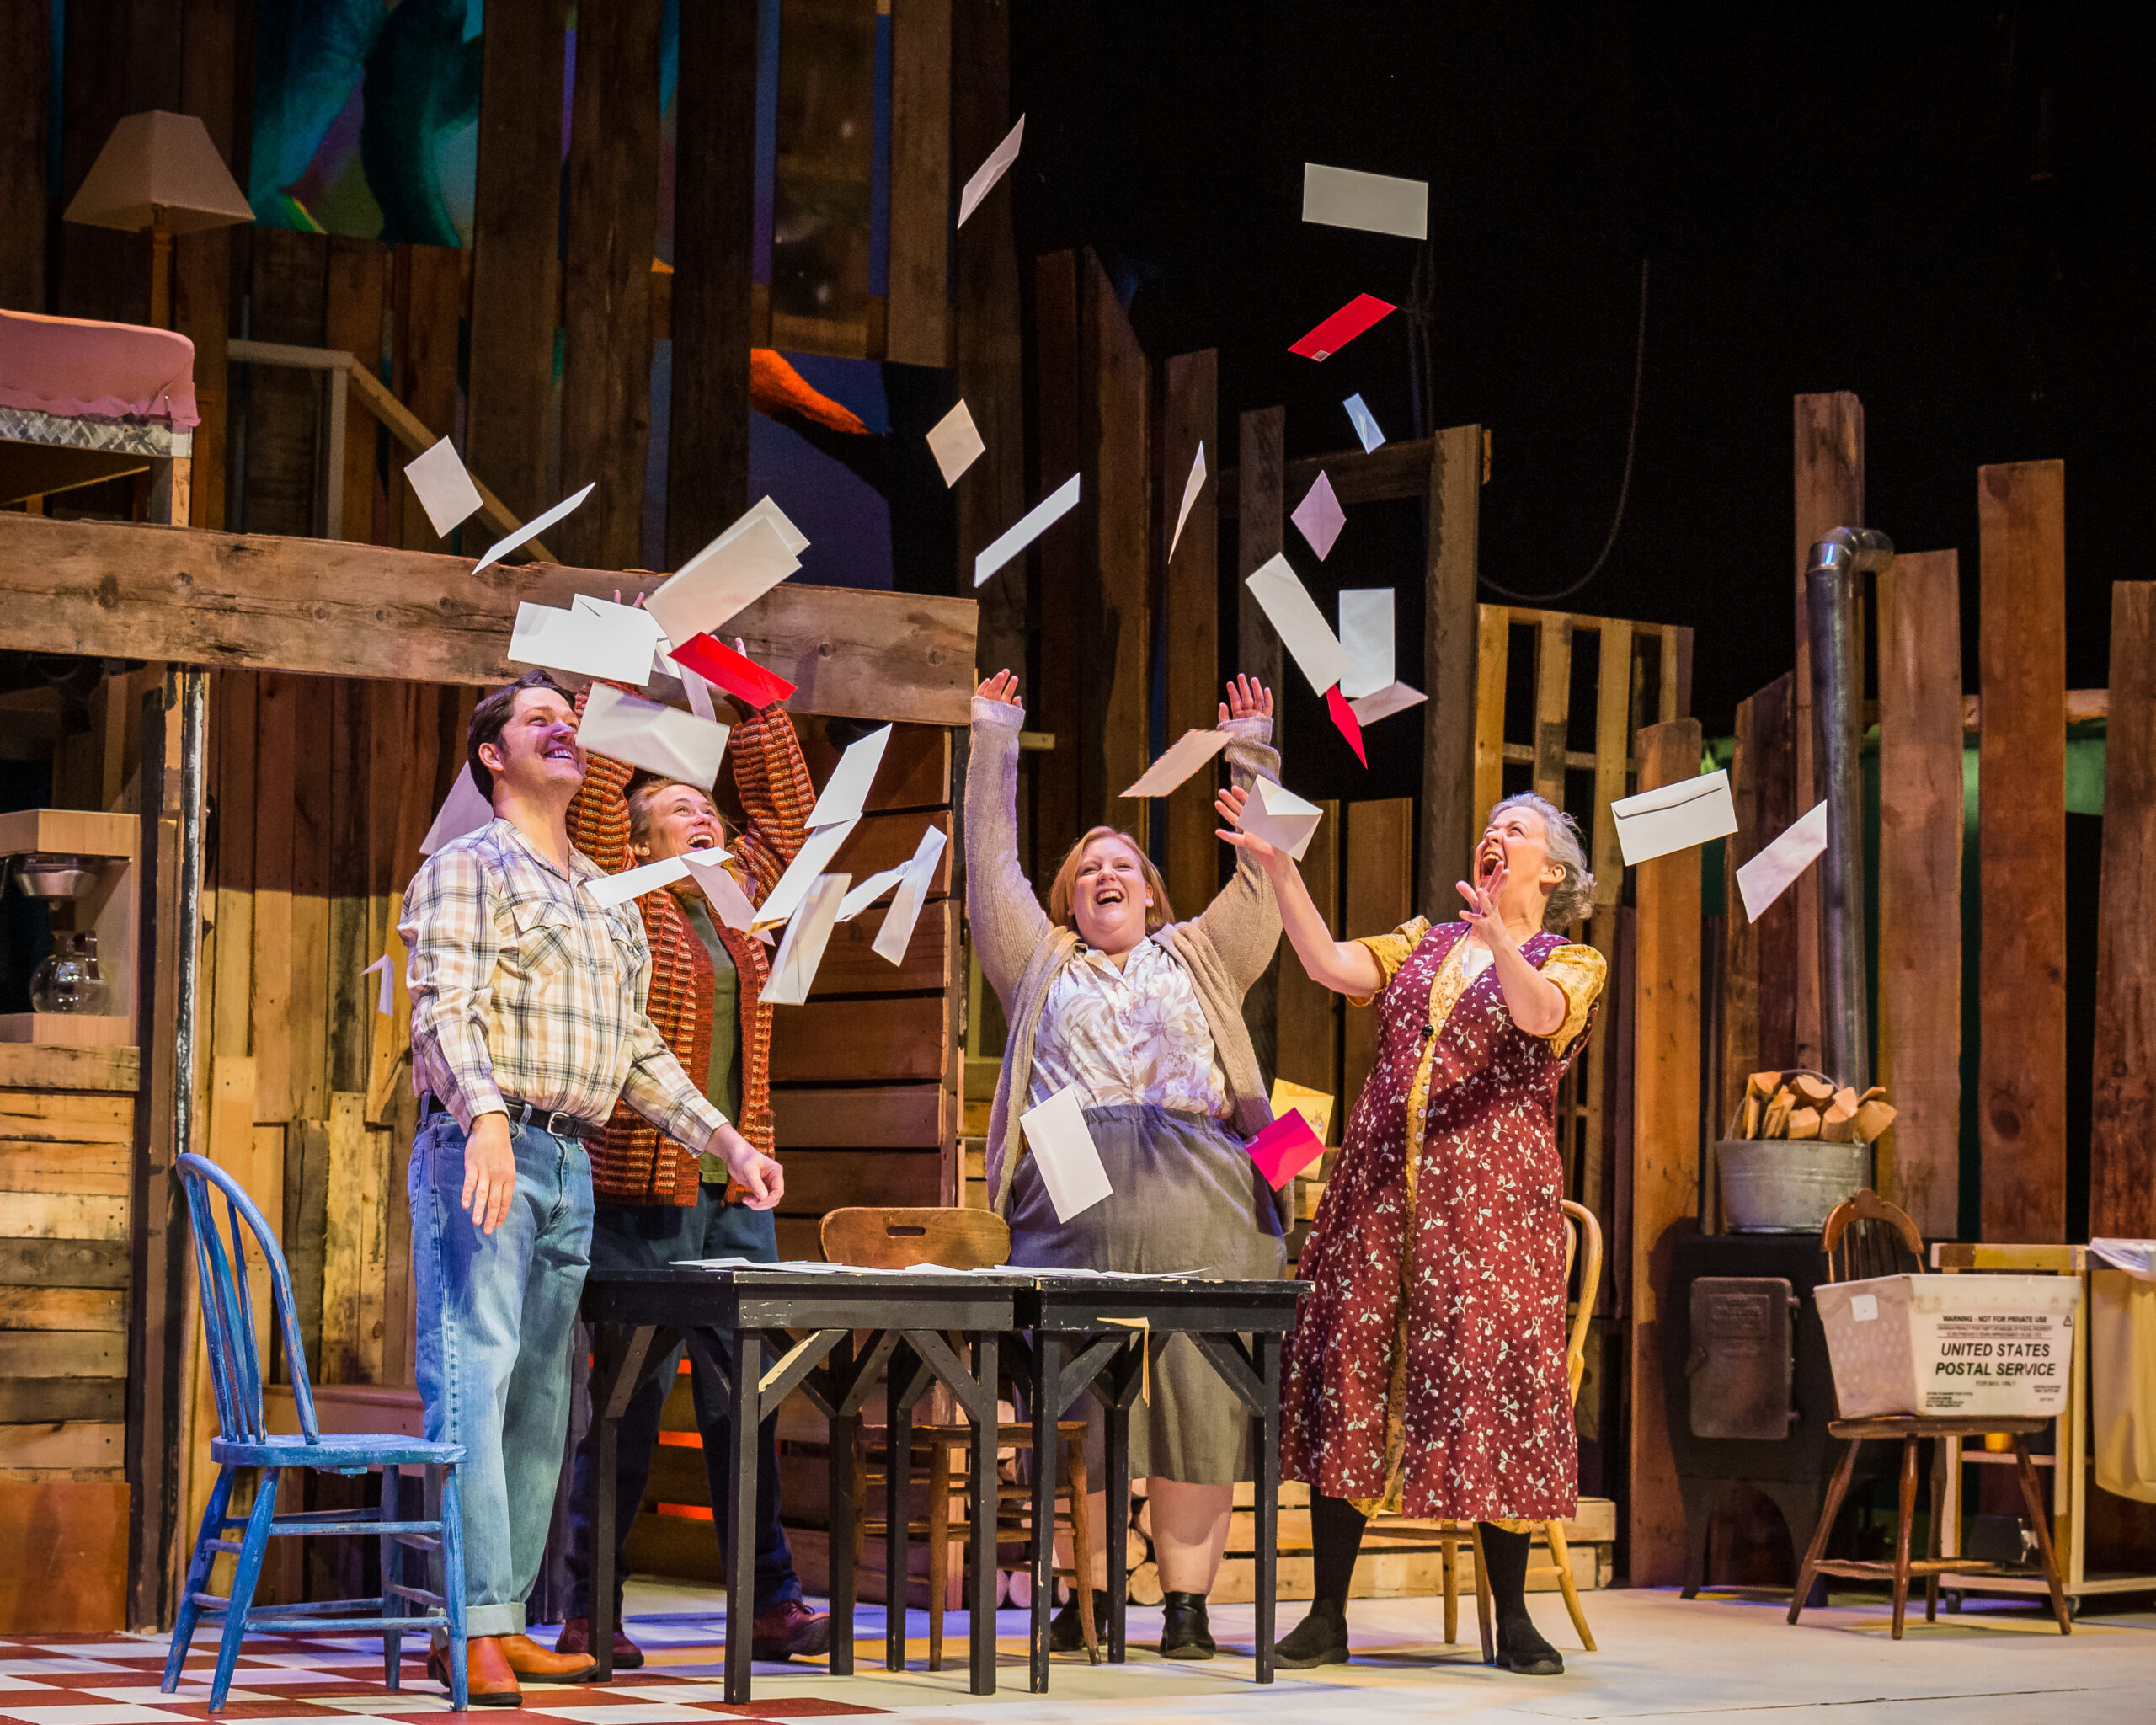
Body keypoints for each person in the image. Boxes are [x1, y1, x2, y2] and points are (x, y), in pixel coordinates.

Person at [401, 669, 783, 1706]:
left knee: (541, 1398)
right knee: (474, 1377)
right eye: (541, 721)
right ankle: (468, 1621)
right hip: (490, 1146)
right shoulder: (467, 865)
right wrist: (480, 1117)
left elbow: (639, 1050)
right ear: (493, 754)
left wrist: (726, 1139)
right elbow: (442, 1009)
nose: (564, 731)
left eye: (572, 722)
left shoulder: (602, 891)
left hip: (571, 1156)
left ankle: (508, 1618)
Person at [1217, 788, 1605, 1677]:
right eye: (1489, 826)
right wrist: (1281, 871)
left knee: (1491, 1378)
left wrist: (1498, 936)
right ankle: (1325, 1614)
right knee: (1352, 1371)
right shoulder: (1419, 943)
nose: (1493, 836)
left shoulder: (1570, 958)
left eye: (1516, 830)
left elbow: (1539, 1015)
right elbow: (1324, 963)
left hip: (1493, 1211)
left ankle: (1512, 1617)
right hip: (1382, 1195)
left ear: (1551, 870)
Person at [968, 669, 1289, 1661]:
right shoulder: (1039, 963)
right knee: (1081, 1398)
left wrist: (1253, 746)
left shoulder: (1200, 952)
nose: (1104, 873)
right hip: (1074, 1184)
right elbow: (988, 866)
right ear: (1067, 897)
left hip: (1204, 1186)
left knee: (1198, 1396)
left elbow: (1261, 881)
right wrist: (995, 734)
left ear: (1150, 887)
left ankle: (1186, 1608)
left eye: (1122, 863)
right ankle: (1091, 1598)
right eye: (1086, 867)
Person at [555, 663, 832, 1665]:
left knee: (741, 1403)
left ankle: (767, 1600)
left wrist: (746, 690)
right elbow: (590, 791)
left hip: (733, 1192)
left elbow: (788, 818)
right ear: (637, 839)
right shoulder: (613, 892)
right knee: (625, 1404)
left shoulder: (737, 901)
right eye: (678, 806)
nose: (703, 814)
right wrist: (619, 679)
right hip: (639, 1191)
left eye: (708, 805)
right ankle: (594, 1607)